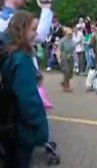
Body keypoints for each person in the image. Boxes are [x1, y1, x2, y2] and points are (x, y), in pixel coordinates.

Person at [0, 10, 48, 168]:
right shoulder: (20, 59)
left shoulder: (7, 52)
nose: (36, 34)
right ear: (22, 29)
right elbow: (27, 99)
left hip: (7, 123)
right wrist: (40, 127)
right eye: (33, 29)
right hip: (21, 127)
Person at [57, 28, 75, 92]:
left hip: (70, 56)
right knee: (66, 71)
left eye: (71, 34)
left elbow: (73, 50)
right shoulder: (62, 41)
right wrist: (59, 58)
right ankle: (67, 86)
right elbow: (59, 50)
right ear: (66, 34)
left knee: (71, 71)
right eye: (69, 34)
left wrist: (74, 57)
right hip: (64, 55)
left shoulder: (72, 41)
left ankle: (64, 81)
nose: (70, 35)